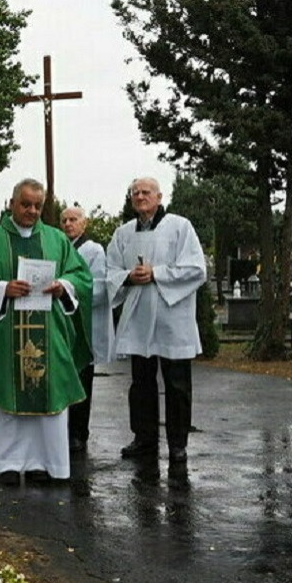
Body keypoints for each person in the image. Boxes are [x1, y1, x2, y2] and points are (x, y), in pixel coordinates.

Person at [0, 178, 93, 485]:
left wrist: (63, 286)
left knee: (49, 393)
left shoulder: (57, 240)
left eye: (38, 206)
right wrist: (2, 289)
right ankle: (6, 464)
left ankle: (44, 462)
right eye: (26, 204)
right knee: (4, 396)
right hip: (3, 336)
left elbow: (81, 277)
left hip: (48, 333)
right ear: (12, 203)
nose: (32, 211)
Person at [105, 177, 206, 462]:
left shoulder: (180, 227)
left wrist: (156, 273)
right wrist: (128, 276)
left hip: (172, 318)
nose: (140, 196)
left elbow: (196, 269)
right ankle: (144, 438)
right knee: (141, 383)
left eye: (146, 192)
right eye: (135, 192)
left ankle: (178, 443)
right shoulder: (124, 233)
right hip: (139, 318)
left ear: (159, 197)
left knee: (177, 384)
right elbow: (110, 270)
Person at [60, 204, 115, 451]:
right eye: (64, 220)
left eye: (74, 219)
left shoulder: (93, 250)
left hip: (83, 322)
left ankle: (79, 432)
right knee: (63, 379)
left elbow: (98, 287)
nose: (68, 224)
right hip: (62, 323)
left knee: (82, 379)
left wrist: (68, 292)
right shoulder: (60, 248)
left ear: (85, 223)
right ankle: (62, 430)